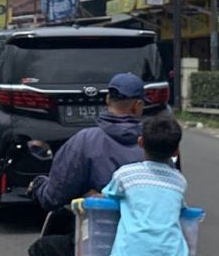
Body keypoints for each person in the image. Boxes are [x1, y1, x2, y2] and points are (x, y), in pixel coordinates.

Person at [28, 73, 146, 256]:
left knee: (41, 248)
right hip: (144, 241)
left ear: (107, 99)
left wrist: (38, 185)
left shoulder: (85, 141)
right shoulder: (154, 145)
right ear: (138, 106)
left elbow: (54, 197)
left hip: (98, 240)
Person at [102, 113, 187, 256]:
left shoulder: (125, 175)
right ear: (176, 151)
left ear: (140, 142)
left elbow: (108, 197)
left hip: (130, 251)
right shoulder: (179, 181)